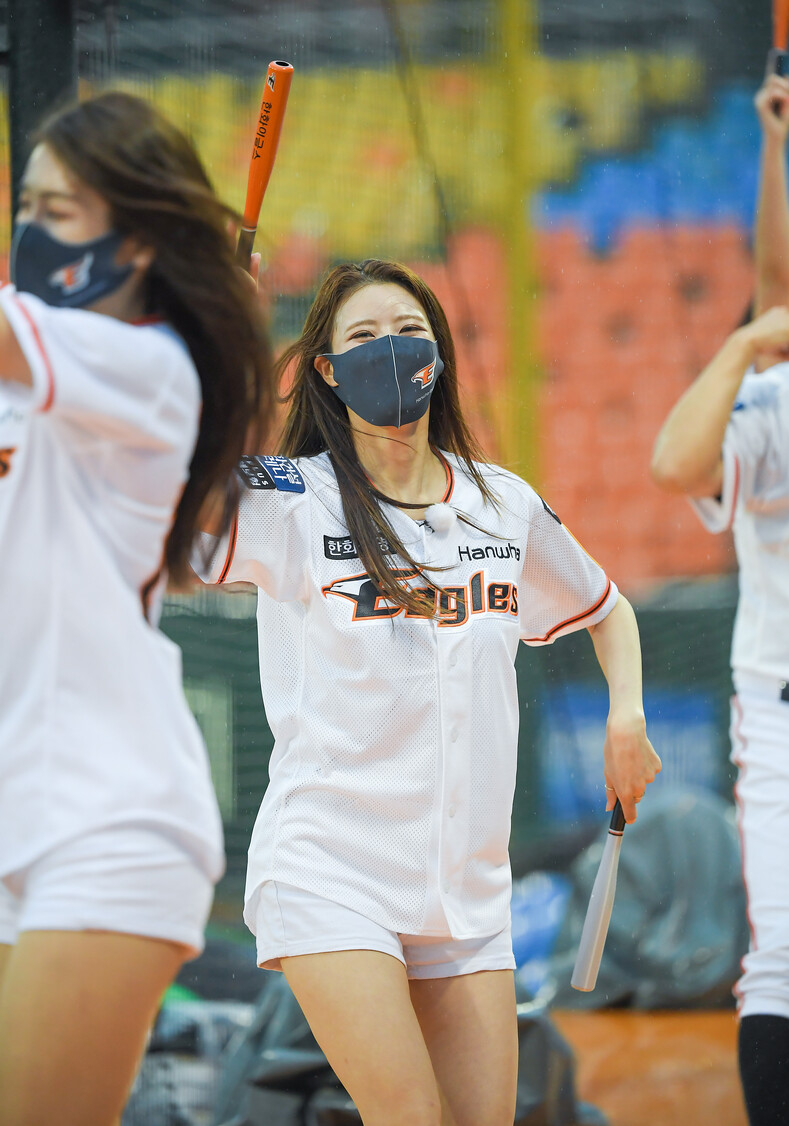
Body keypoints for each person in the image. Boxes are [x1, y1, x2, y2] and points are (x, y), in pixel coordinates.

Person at [201, 257, 661, 1126]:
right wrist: (213, 338)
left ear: (439, 356)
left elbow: (609, 609)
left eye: (409, 333)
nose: (392, 351)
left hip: (468, 887)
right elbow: (175, 504)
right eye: (364, 338)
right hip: (332, 867)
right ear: (328, 374)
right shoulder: (295, 500)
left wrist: (626, 716)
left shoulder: (503, 504)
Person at [0, 92, 273, 1126]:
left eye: (60, 209)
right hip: (16, 812)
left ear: (143, 236)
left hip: (107, 817)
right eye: (25, 203)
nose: (31, 231)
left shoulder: (149, 367)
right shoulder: (31, 387)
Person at [651, 72, 789, 1126]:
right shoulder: (765, 400)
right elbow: (669, 461)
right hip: (784, 709)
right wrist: (745, 341)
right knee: (785, 956)